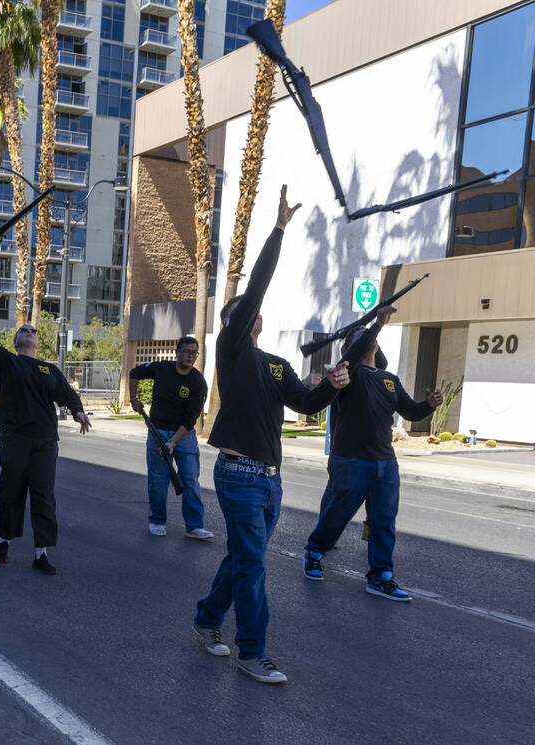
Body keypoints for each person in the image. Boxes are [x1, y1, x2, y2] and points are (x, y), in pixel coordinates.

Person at [192, 186, 357, 685]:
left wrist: (330, 387)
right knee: (254, 566)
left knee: (244, 558)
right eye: (245, 311)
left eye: (254, 311)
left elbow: (305, 405)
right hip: (238, 474)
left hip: (269, 479)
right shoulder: (232, 349)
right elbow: (258, 286)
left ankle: (205, 619)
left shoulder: (275, 364)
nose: (254, 312)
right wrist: (279, 230)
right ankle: (252, 650)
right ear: (234, 322)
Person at [302, 306, 441, 601]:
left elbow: (410, 411)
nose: (362, 338)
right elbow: (353, 354)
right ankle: (314, 552)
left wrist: (428, 404)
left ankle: (380, 577)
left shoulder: (389, 378)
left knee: (383, 520)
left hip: (385, 463)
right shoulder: (345, 373)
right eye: (356, 336)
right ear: (348, 348)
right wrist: (376, 325)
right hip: (351, 460)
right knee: (338, 515)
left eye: (365, 336)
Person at [0, 283, 90, 576]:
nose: (30, 332)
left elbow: (67, 393)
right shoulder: (8, 363)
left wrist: (77, 411)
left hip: (44, 442)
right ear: (16, 341)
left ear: (37, 342)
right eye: (24, 331)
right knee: (11, 493)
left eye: (33, 331)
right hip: (14, 438)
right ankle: (4, 541)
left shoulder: (49, 369)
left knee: (43, 496)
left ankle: (41, 553)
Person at [129, 335, 211, 539]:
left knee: (190, 479)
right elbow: (134, 373)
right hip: (157, 431)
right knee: (158, 480)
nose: (190, 356)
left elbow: (190, 419)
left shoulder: (198, 382)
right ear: (177, 352)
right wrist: (133, 399)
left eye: (194, 353)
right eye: (186, 351)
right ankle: (157, 520)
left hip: (184, 435)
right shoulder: (162, 368)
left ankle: (194, 527)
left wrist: (172, 442)